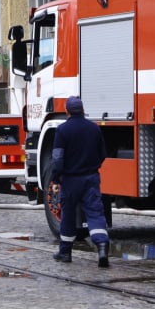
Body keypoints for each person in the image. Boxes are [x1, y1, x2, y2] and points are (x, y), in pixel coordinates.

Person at [51, 96, 110, 267]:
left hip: (70, 180)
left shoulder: (62, 130)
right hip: (91, 178)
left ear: (67, 111)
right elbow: (102, 154)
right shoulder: (94, 128)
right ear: (83, 110)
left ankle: (65, 252)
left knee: (68, 215)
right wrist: (93, 167)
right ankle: (102, 247)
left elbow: (57, 159)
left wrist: (57, 177)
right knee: (95, 213)